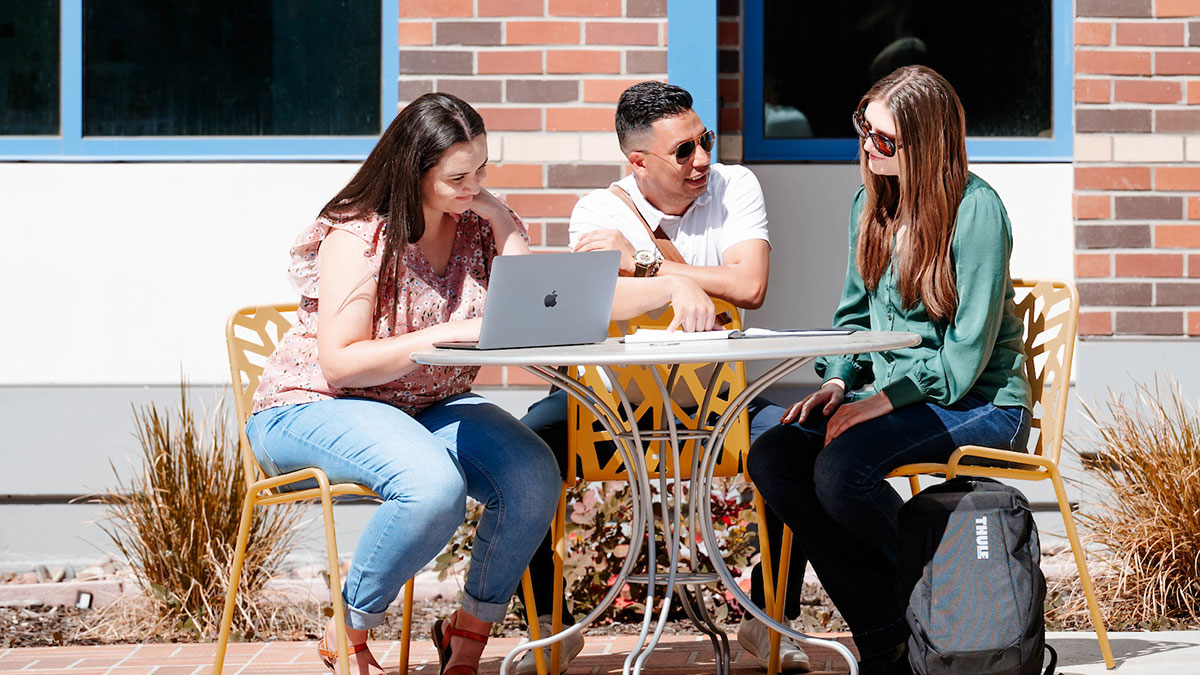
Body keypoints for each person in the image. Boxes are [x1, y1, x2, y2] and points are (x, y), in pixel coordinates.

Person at [245, 93, 559, 675]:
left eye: (482, 171)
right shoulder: (360, 234)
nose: (473, 187)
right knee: (432, 486)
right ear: (414, 173)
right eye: (458, 176)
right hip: (313, 406)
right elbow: (340, 364)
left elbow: (530, 308)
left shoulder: (475, 224)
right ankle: (349, 627)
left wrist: (496, 215)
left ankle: (466, 640)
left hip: (424, 406)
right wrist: (447, 334)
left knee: (532, 474)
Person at [517, 81, 811, 674]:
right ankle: (550, 627)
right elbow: (605, 299)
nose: (702, 159)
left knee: (795, 447)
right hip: (607, 408)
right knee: (521, 453)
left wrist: (654, 262)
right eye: (684, 151)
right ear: (639, 162)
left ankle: (768, 618)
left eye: (703, 141)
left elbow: (750, 286)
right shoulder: (598, 211)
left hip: (720, 404)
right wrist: (686, 282)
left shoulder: (736, 186)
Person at [747, 65, 1033, 675]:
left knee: (842, 468)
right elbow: (853, 320)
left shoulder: (976, 212)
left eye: (885, 140)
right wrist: (837, 381)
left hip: (982, 401)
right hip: (897, 395)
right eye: (864, 129)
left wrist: (878, 401)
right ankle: (889, 635)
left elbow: (963, 361)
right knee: (774, 455)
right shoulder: (870, 204)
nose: (867, 147)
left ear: (925, 147)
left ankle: (934, 603)